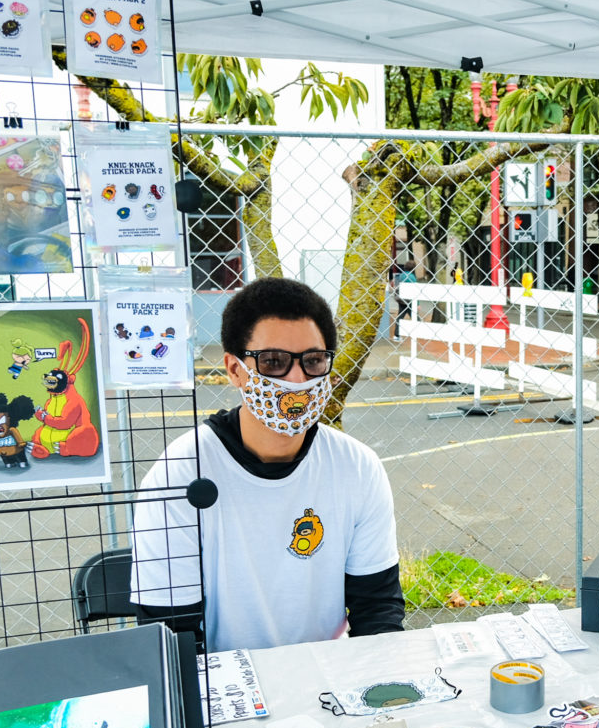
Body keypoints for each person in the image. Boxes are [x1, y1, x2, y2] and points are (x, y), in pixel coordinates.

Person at [130, 277, 403, 650]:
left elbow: (377, 610)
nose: (296, 379)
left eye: (313, 361)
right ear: (235, 369)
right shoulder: (180, 472)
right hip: (222, 684)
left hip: (326, 678)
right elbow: (170, 633)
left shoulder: (357, 467)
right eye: (273, 362)